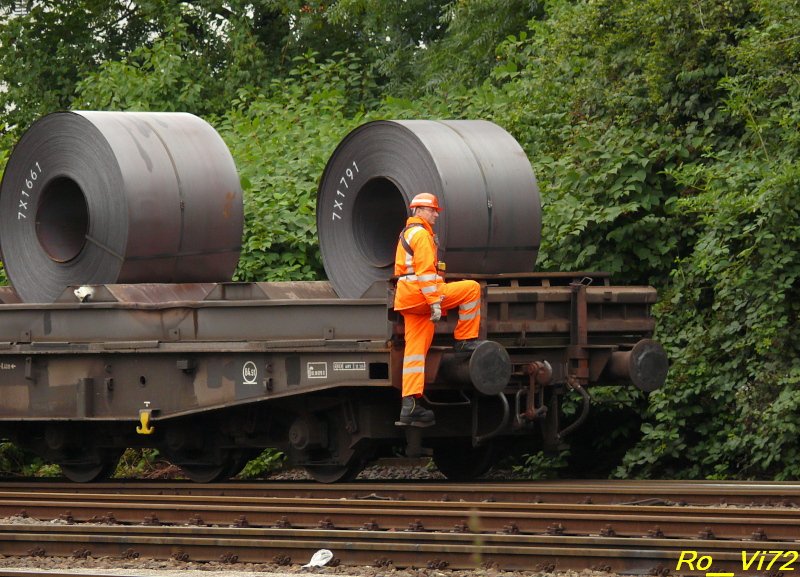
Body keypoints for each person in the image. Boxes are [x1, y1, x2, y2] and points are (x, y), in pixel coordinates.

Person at [393, 192, 482, 427]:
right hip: (422, 297)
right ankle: (464, 340)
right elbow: (425, 273)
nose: (435, 214)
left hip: (408, 300)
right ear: (419, 210)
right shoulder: (421, 235)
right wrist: (434, 302)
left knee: (414, 353)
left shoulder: (407, 233)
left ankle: (409, 405)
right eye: (432, 210)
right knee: (472, 289)